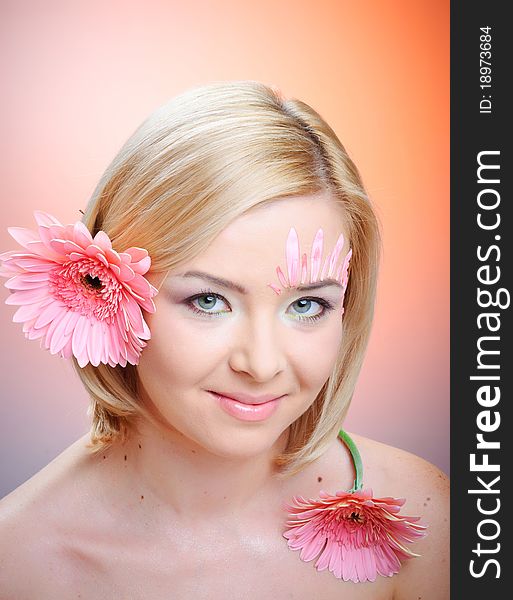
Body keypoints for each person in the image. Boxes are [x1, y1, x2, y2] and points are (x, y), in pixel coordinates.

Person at [0, 80, 449, 599]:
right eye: (209, 301)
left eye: (307, 305)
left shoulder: (423, 518)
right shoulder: (19, 565)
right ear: (108, 296)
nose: (261, 364)